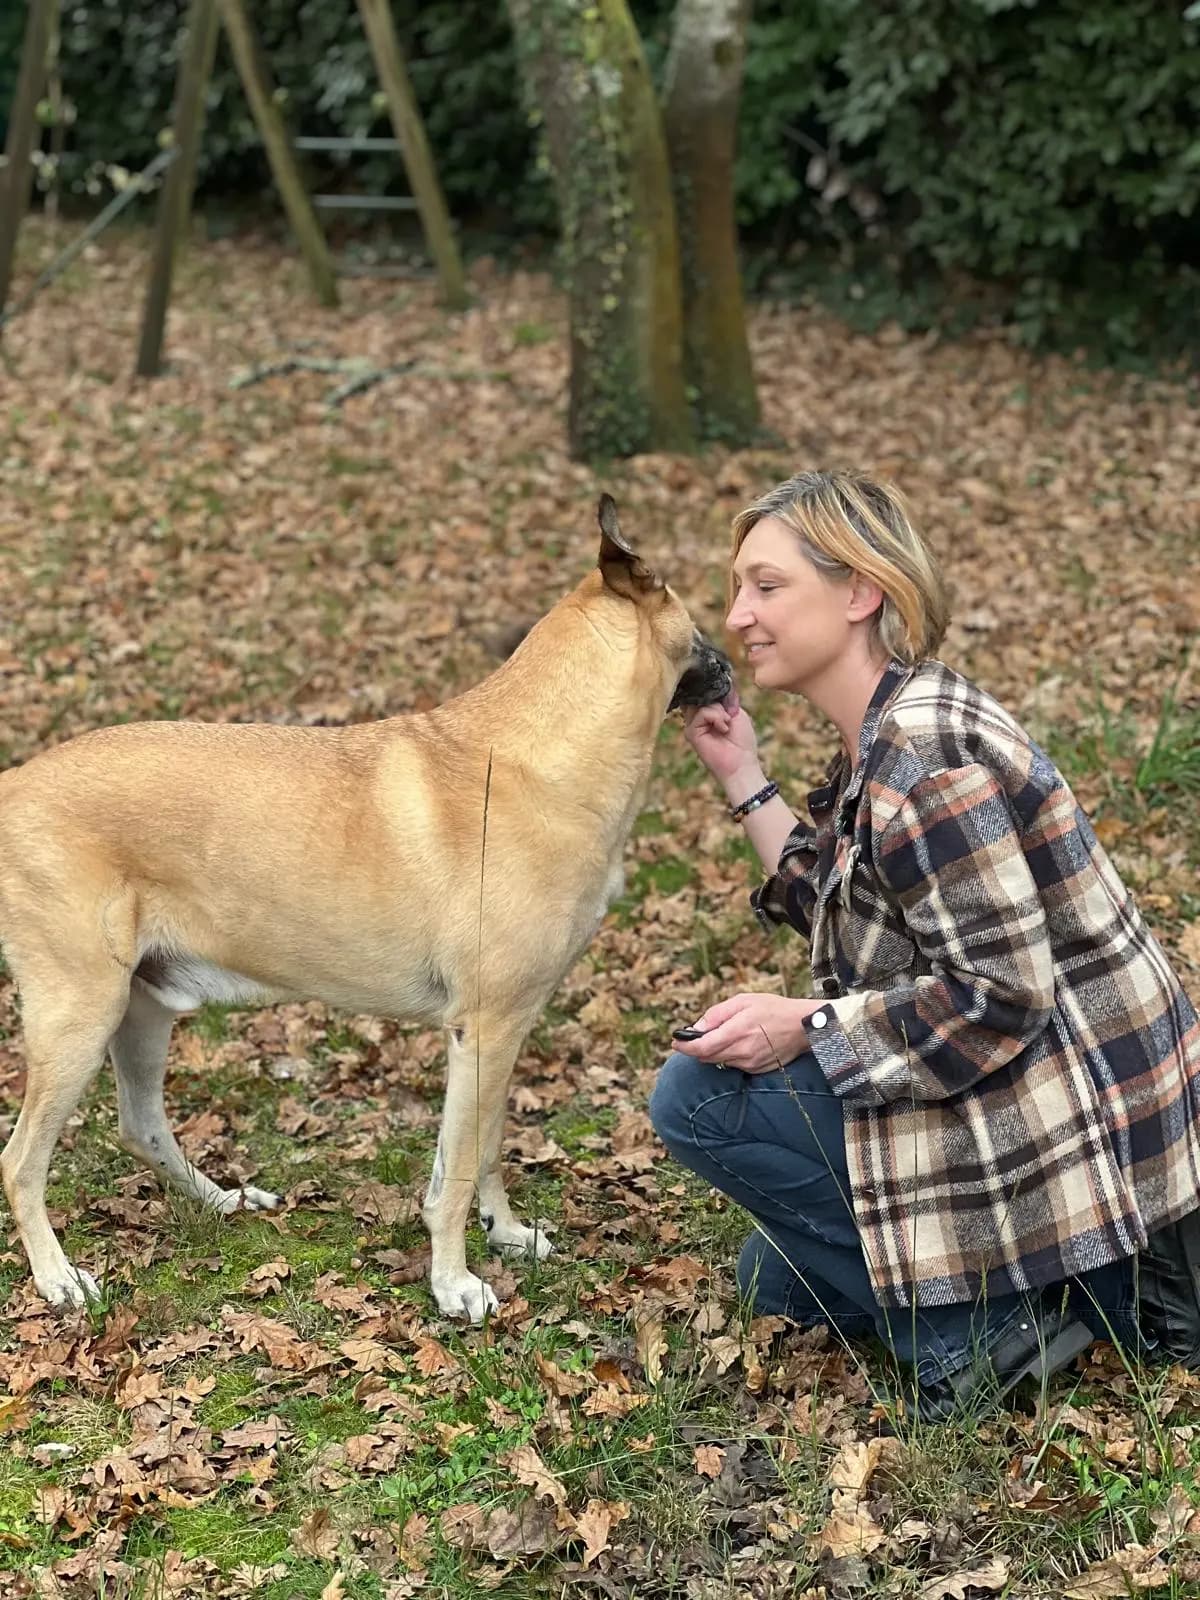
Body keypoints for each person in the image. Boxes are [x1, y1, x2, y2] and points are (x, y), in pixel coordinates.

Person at [649, 470, 1200, 1422]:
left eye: (767, 586)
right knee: (771, 1279)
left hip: (1081, 1152)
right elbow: (837, 892)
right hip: (1028, 1098)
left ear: (861, 591)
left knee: (694, 1102)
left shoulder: (925, 763)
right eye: (738, 587)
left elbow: (1003, 996)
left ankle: (998, 1328)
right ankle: (995, 1294)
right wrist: (741, 771)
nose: (737, 614)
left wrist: (809, 1025)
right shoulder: (892, 724)